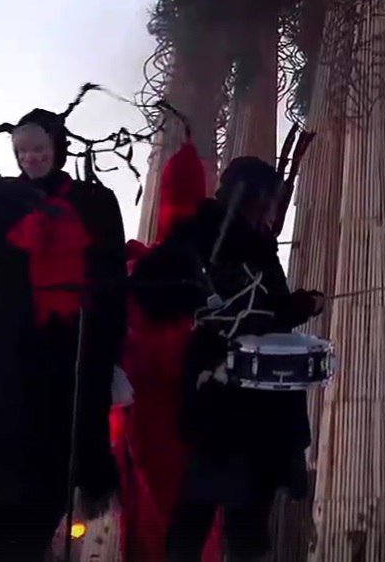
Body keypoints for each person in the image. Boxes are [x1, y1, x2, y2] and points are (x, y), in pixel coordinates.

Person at [0, 107, 129, 561]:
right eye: (21, 151)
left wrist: (113, 358)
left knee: (56, 468)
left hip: (71, 352)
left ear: (57, 148)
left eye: (38, 149)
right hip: (6, 349)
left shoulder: (95, 203)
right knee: (0, 463)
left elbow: (112, 282)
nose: (30, 158)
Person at [131, 155, 324, 562]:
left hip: (261, 395)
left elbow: (268, 310)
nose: (272, 210)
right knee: (207, 502)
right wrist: (199, 300)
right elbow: (154, 287)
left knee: (243, 509)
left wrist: (300, 305)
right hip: (220, 388)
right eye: (268, 201)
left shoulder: (255, 241)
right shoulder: (205, 237)